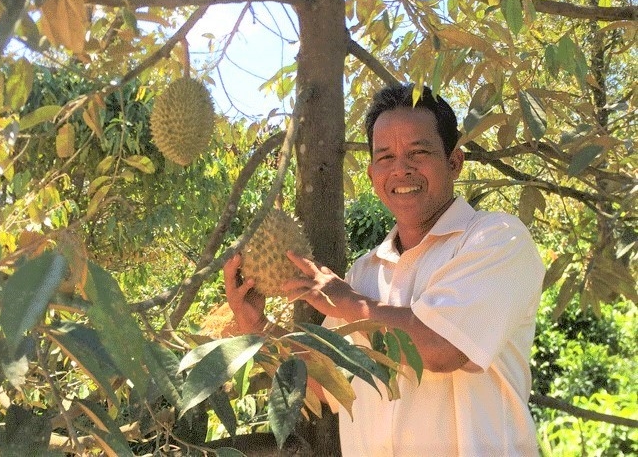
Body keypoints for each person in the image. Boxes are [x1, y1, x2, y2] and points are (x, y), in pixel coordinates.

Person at [223, 83, 546, 456]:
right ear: (373, 171)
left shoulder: (496, 239)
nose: (401, 170)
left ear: (454, 161)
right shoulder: (365, 272)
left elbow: (443, 347)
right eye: (385, 157)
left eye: (418, 152)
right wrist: (256, 325)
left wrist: (350, 303)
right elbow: (327, 385)